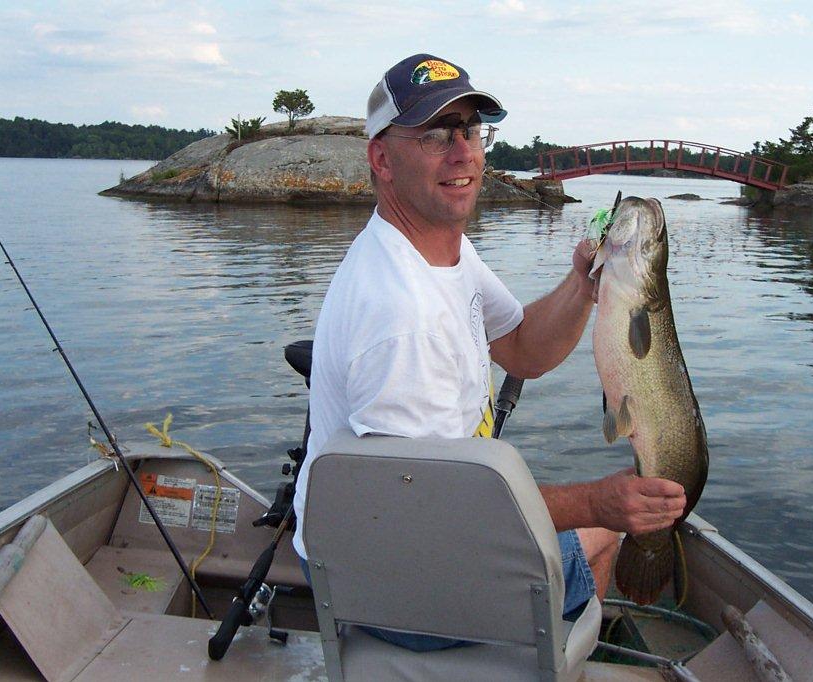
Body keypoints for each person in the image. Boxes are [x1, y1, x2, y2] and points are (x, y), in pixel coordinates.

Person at [292, 53, 686, 650]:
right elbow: (428, 508)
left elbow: (523, 347)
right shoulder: (401, 313)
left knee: (583, 513)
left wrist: (585, 285)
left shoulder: (439, 249)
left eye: (471, 131)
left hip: (397, 538)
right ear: (381, 157)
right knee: (602, 532)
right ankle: (541, 658)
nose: (463, 153)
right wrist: (595, 503)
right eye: (435, 136)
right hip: (389, 586)